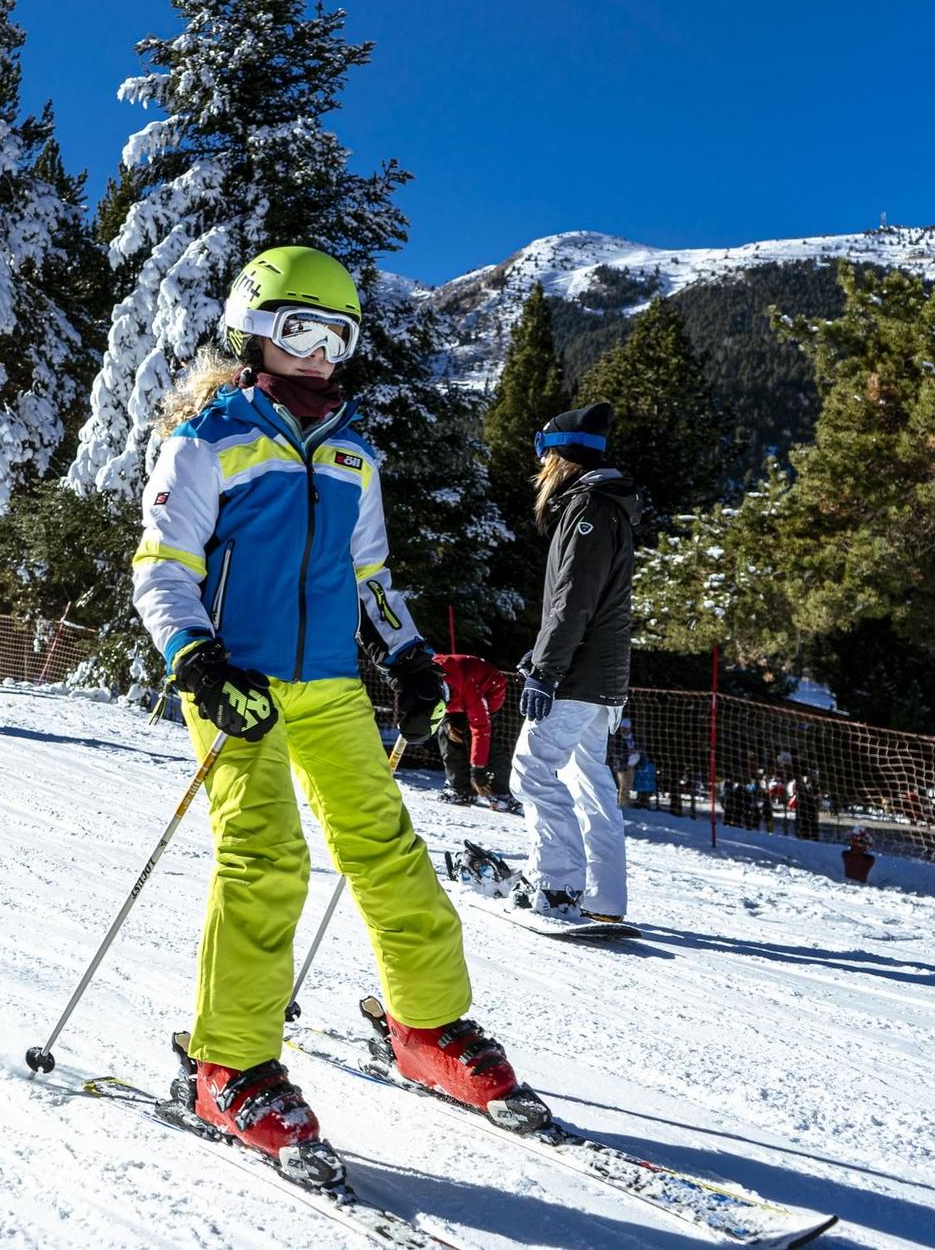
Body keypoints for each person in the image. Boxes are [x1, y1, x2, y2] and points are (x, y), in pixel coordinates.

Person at [135, 245, 547, 1180]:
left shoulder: (355, 454)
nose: (319, 353)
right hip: (237, 683)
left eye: (338, 335)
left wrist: (407, 655)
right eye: (298, 330)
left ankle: (425, 1024)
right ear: (254, 331)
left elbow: (371, 577)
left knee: (387, 847)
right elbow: (162, 565)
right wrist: (195, 659)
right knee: (266, 853)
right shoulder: (207, 439)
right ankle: (226, 1063)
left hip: (326, 685)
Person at [510, 401, 640, 925]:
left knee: (532, 770)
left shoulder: (589, 509)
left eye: (544, 455)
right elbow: (583, 603)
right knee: (590, 779)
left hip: (579, 674)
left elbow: (574, 599)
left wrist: (548, 669)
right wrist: (540, 653)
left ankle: (558, 885)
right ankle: (605, 898)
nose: (541, 470)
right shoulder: (607, 506)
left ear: (561, 457)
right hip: (599, 673)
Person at [434, 652, 511, 808]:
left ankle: (503, 792)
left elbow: (481, 730)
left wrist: (478, 769)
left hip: (489, 690)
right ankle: (460, 788)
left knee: (486, 743)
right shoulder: (427, 679)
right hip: (455, 696)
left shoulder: (470, 691)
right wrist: (448, 718)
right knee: (448, 735)